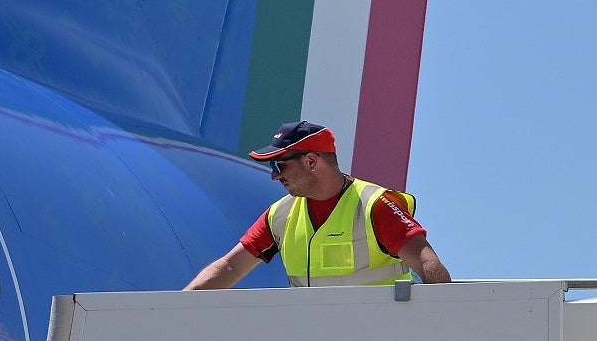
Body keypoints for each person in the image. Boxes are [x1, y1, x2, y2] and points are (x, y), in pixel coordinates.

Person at [185, 121, 450, 289]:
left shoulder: (375, 205)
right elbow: (230, 267)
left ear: (312, 161)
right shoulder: (280, 215)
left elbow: (429, 266)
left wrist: (443, 329)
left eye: (279, 165)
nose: (274, 175)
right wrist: (176, 310)